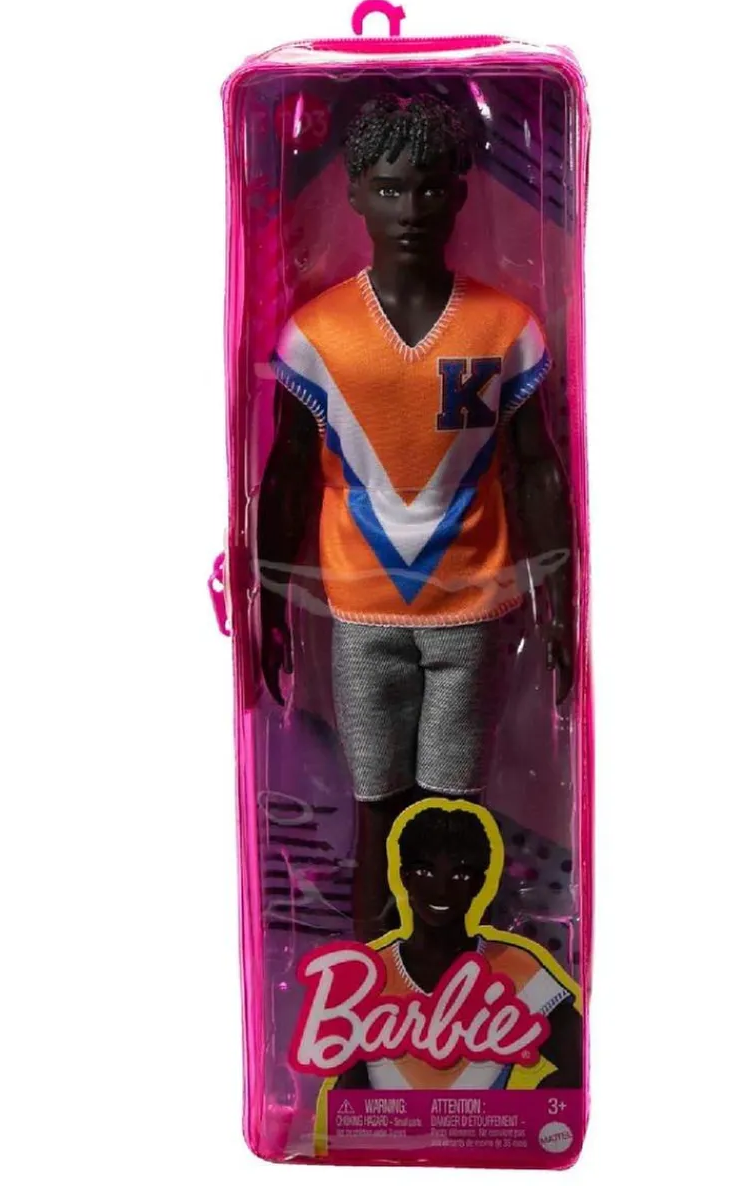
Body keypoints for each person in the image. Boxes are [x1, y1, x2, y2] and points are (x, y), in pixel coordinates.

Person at [258, 93, 575, 941]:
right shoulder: (317, 334)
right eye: (390, 188)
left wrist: (562, 604)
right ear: (355, 192)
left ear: (462, 191)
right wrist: (268, 603)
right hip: (360, 611)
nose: (411, 209)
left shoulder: (505, 326)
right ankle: (372, 979)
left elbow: (538, 470)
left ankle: (452, 967)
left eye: (432, 187)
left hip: (472, 609)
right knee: (376, 808)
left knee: (453, 813)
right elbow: (285, 478)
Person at [332, 801, 582, 1091]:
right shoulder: (371, 974)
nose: (441, 890)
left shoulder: (513, 967)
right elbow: (347, 1092)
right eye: (425, 873)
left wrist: (523, 1112)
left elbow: (578, 1064)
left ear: (479, 883)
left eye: (460, 875)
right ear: (404, 877)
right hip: (388, 1123)